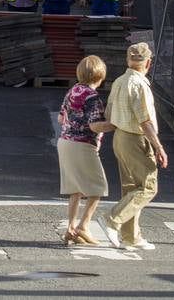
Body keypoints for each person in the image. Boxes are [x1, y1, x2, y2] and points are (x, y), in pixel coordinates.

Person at [98, 42, 167, 251]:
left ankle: (131, 236)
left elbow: (109, 112)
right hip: (136, 138)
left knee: (131, 188)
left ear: (128, 60)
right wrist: (159, 147)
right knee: (147, 187)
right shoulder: (139, 84)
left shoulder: (119, 81)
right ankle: (112, 219)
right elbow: (145, 120)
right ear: (148, 62)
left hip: (119, 136)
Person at [57, 55, 114, 245]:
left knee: (76, 189)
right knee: (97, 187)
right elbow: (95, 126)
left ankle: (70, 229)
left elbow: (60, 118)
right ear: (101, 75)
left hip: (65, 142)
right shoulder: (92, 97)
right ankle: (83, 226)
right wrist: (116, 124)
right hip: (83, 144)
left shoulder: (72, 90)